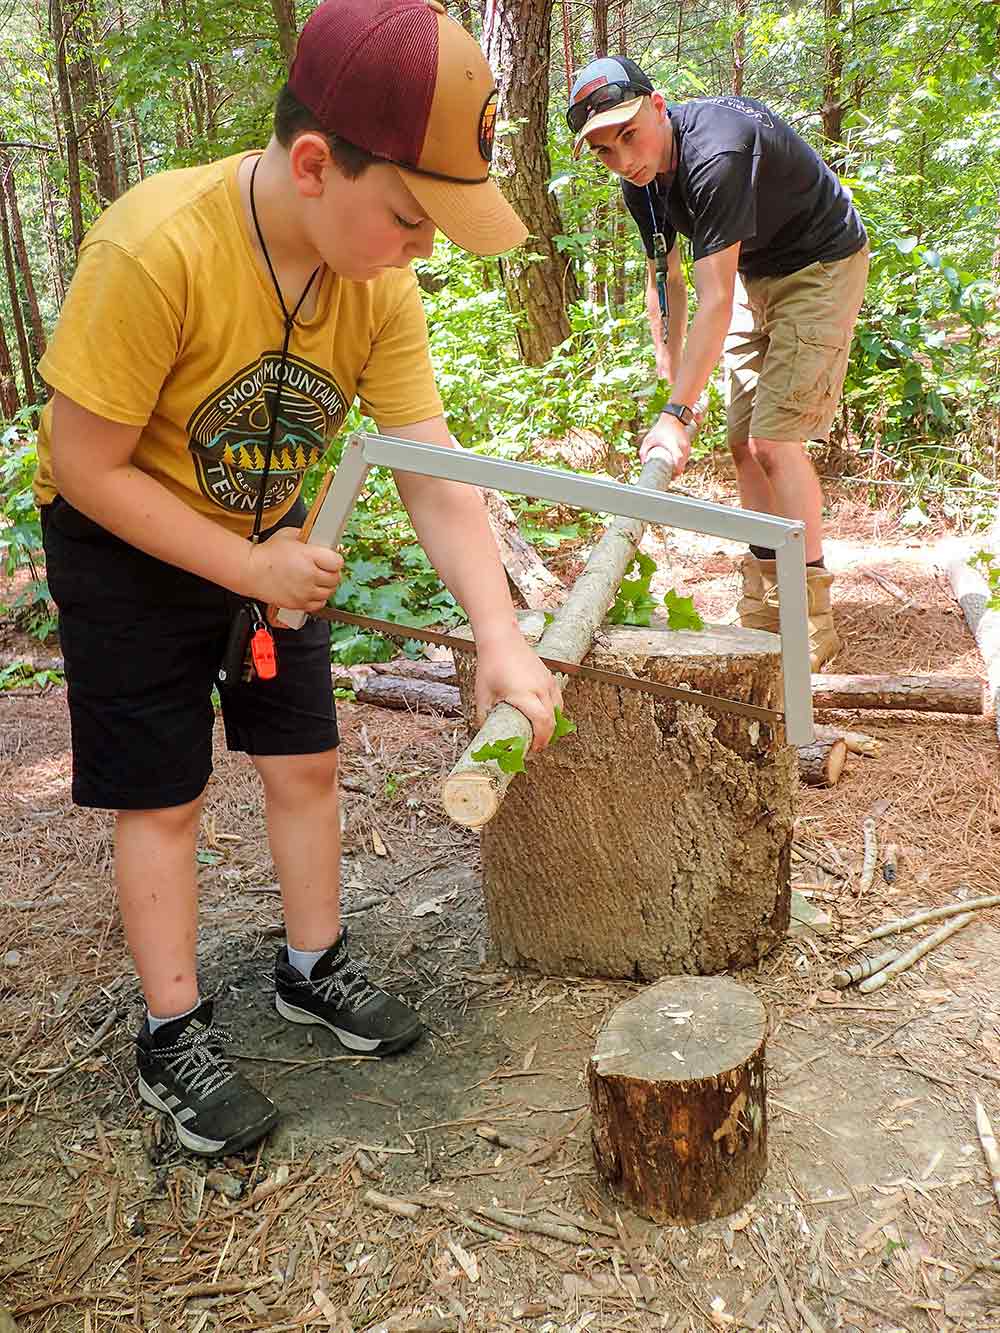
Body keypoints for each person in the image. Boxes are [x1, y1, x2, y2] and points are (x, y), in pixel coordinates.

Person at [33, 0, 562, 1157]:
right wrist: (242, 563)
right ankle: (173, 1029)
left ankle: (309, 966)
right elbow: (83, 464)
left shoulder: (376, 284)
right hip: (127, 542)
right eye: (412, 220)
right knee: (163, 796)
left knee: (304, 759)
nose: (422, 249)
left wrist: (500, 634)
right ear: (316, 163)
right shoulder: (156, 245)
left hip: (275, 536)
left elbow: (433, 473)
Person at [566, 58, 869, 667]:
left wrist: (677, 412)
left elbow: (715, 299)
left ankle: (811, 619)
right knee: (741, 443)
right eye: (604, 150)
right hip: (759, 273)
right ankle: (763, 603)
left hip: (821, 264)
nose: (623, 159)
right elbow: (667, 280)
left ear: (658, 106)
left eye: (628, 135)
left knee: (775, 441)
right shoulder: (642, 181)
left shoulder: (715, 157)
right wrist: (672, 372)